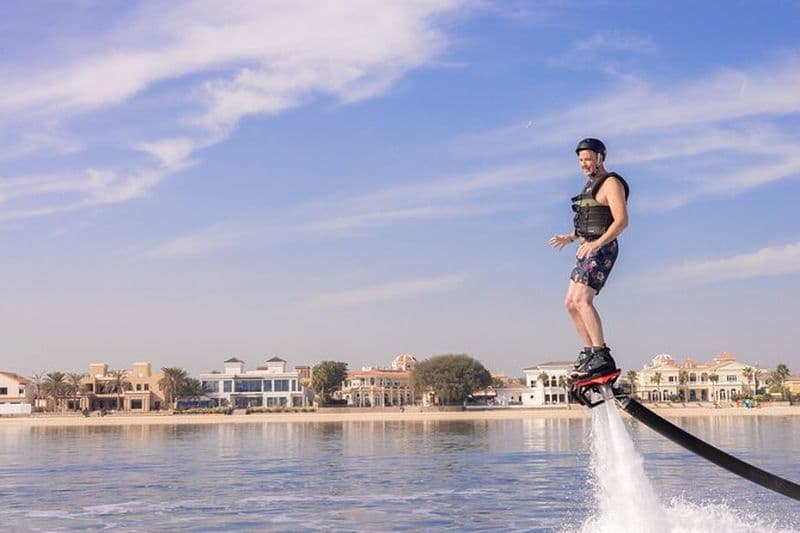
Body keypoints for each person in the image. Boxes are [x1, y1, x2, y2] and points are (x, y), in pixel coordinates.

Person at [549, 138, 629, 381]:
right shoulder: (590, 186)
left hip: (602, 248)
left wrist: (597, 244)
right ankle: (590, 354)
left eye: (588, 159)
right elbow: (591, 220)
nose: (583, 164)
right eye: (580, 160)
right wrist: (571, 237)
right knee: (570, 303)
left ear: (600, 158)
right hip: (587, 248)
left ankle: (602, 355)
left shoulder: (611, 183)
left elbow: (621, 221)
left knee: (583, 300)